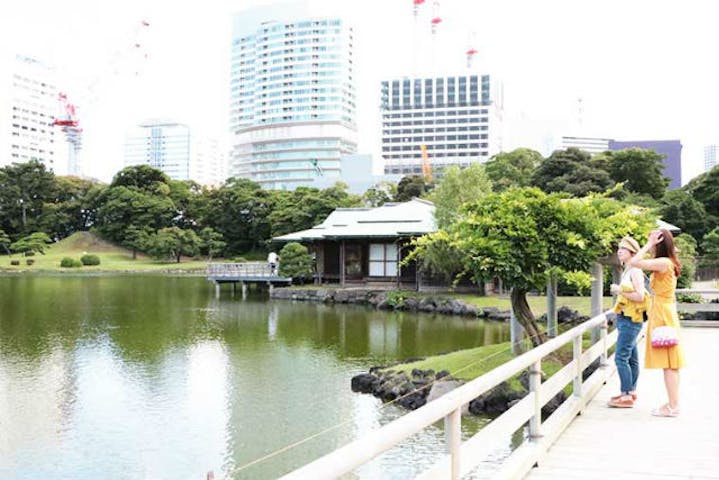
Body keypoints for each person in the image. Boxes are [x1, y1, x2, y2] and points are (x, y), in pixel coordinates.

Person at [627, 228, 685, 417]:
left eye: (653, 240)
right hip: (665, 311)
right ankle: (673, 403)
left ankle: (673, 406)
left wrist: (648, 244)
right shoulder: (669, 262)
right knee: (670, 362)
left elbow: (633, 262)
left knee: (669, 362)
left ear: (659, 243)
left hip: (662, 313)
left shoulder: (663, 262)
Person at [607, 236, 649, 408]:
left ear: (632, 253)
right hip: (625, 318)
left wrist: (619, 291)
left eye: (623, 249)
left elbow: (640, 296)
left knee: (621, 358)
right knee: (631, 358)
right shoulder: (628, 269)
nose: (619, 251)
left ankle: (626, 396)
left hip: (632, 320)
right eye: (619, 248)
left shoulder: (635, 271)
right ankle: (629, 392)